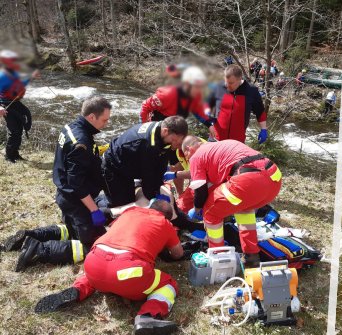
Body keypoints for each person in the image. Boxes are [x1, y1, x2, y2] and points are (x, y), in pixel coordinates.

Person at [34, 201, 183, 335]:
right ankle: (148, 316)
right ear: (167, 217)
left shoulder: (130, 212)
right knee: (168, 284)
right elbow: (178, 254)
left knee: (100, 272)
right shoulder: (165, 224)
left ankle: (78, 289)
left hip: (94, 261)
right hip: (128, 271)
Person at [5, 97, 112, 271]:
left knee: (70, 231)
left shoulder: (71, 127)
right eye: (105, 119)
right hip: (77, 201)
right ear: (91, 117)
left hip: (65, 196)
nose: (107, 123)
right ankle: (37, 250)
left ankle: (29, 235)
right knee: (94, 245)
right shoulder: (81, 141)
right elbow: (76, 183)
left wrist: (97, 151)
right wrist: (94, 210)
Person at [183, 138, 282, 267]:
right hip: (274, 178)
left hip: (248, 180)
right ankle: (251, 255)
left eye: (185, 155)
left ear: (189, 149)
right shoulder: (221, 146)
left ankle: (218, 257)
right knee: (244, 209)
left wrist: (196, 210)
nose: (187, 159)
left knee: (211, 211)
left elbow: (200, 191)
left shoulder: (196, 156)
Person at [102, 116, 188, 207]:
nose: (175, 144)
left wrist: (158, 187)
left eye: (179, 141)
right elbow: (148, 176)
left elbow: (160, 166)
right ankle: (99, 203)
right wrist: (154, 198)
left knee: (131, 198)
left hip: (130, 163)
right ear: (165, 131)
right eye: (174, 140)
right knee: (122, 204)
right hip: (113, 167)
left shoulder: (163, 134)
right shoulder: (146, 144)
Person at [140, 66, 216, 135]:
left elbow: (198, 111)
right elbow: (145, 106)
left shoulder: (195, 95)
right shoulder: (167, 94)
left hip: (175, 122)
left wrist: (209, 125)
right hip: (158, 120)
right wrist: (144, 127)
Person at [206, 65, 268, 144]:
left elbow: (260, 111)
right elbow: (206, 105)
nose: (227, 85)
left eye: (231, 83)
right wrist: (209, 121)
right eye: (226, 82)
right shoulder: (218, 87)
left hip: (237, 143)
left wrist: (263, 129)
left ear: (240, 79)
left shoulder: (251, 91)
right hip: (215, 139)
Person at [0, 50, 39, 162]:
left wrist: (32, 76)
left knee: (22, 124)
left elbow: (22, 82)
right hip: (5, 105)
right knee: (14, 131)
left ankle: (15, 154)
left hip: (15, 102)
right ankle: (9, 156)